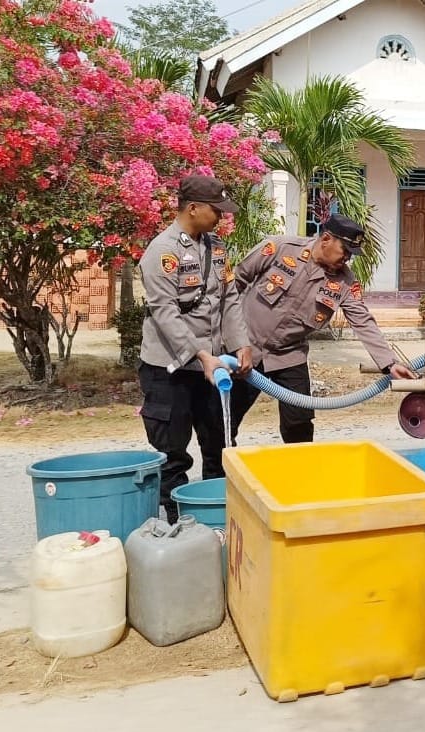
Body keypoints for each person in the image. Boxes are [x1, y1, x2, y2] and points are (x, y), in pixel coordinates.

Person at [230, 215, 417, 444]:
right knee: (224, 421)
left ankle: (302, 477)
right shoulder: (280, 248)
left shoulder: (345, 282)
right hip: (243, 349)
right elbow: (234, 284)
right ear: (326, 239)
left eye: (351, 253)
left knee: (298, 426)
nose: (348, 258)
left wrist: (389, 362)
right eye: (345, 250)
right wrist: (229, 337)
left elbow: (362, 320)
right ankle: (220, 475)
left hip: (288, 356)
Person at [138, 175, 253, 523]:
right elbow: (165, 313)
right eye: (216, 210)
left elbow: (229, 299)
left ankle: (218, 519)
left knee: (219, 445)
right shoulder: (162, 251)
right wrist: (201, 354)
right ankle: (178, 523)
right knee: (173, 454)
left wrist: (241, 343)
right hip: (170, 369)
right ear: (192, 208)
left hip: (212, 366)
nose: (221, 216)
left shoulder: (216, 248)